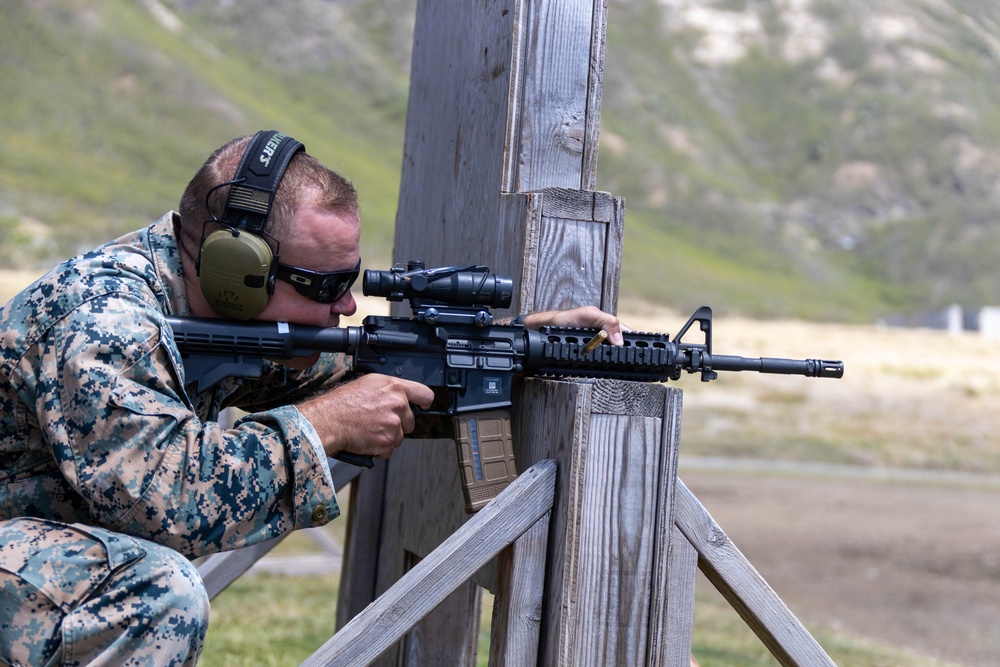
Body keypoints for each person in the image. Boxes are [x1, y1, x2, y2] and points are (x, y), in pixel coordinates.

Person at [0, 131, 625, 666]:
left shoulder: (206, 308)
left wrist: (507, 355)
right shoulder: (104, 325)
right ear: (234, 271)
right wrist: (323, 425)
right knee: (154, 593)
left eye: (350, 281)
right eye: (323, 284)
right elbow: (173, 500)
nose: (347, 304)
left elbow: (340, 378)